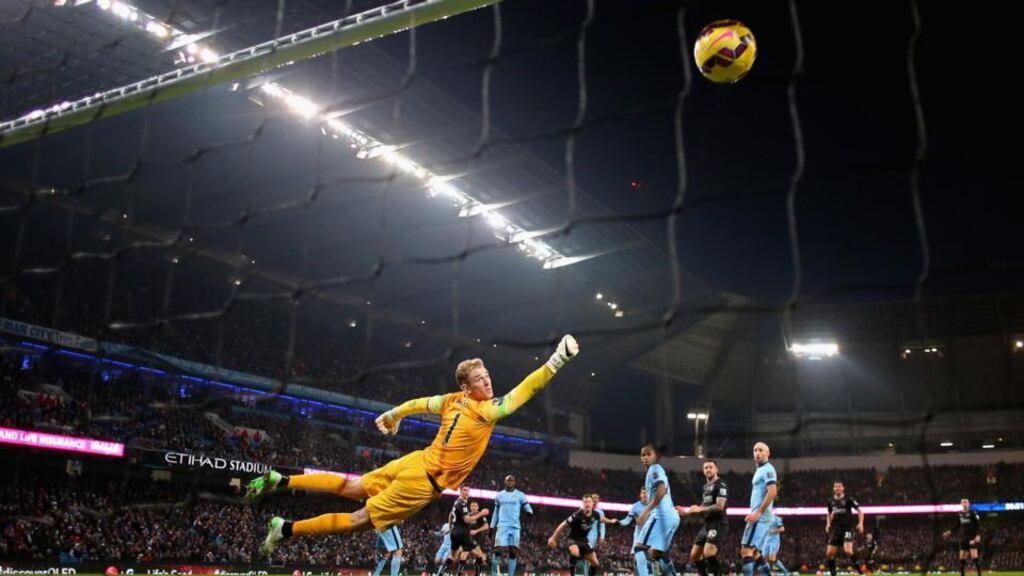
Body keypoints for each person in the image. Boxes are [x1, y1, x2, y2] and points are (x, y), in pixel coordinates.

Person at [245, 335, 579, 554]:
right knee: (358, 520)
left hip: (416, 460)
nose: (488, 381)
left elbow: (419, 403)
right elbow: (524, 391)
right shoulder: (486, 411)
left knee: (352, 486)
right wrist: (556, 362)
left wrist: (395, 413)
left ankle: (282, 479)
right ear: (467, 387)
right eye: (480, 379)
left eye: (487, 375)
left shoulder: (451, 400)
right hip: (422, 482)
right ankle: (286, 529)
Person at [636, 444, 680, 576]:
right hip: (672, 517)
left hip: (661, 516)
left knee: (639, 548)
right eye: (643, 455)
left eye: (649, 454)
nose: (645, 457)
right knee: (656, 554)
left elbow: (661, 490)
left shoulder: (654, 469)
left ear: (656, 456)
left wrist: (645, 512)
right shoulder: (655, 470)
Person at [678, 460, 727, 576]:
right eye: (706, 468)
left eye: (710, 467)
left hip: (718, 523)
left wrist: (701, 509)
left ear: (716, 469)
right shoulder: (705, 487)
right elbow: (704, 507)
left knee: (708, 552)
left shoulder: (721, 484)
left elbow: (720, 506)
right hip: (707, 525)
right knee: (695, 555)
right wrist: (688, 512)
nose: (708, 469)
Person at [740, 443, 778, 576]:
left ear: (768, 453)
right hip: (761, 516)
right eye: (755, 450)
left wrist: (758, 512)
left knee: (746, 551)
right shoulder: (760, 470)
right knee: (755, 553)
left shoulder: (768, 469)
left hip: (760, 516)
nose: (757, 452)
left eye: (761, 450)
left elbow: (772, 492)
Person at [548, 494, 602, 576]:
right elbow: (563, 525)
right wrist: (553, 538)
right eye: (585, 502)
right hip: (573, 539)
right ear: (583, 503)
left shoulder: (596, 514)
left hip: (584, 540)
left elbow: (602, 520)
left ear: (592, 503)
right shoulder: (577, 515)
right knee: (575, 552)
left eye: (589, 502)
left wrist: (612, 521)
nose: (587, 504)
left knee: (595, 562)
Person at [490, 475, 533, 576]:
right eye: (508, 480)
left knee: (513, 552)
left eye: (512, 480)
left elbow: (528, 508)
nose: (510, 482)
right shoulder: (499, 495)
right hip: (502, 526)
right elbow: (496, 512)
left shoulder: (520, 495)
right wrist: (492, 526)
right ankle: (493, 574)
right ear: (505, 482)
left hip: (515, 527)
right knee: (498, 550)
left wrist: (529, 512)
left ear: (514, 482)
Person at [826, 481, 864, 576]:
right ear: (833, 489)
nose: (838, 488)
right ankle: (833, 573)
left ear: (843, 488)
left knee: (848, 551)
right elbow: (829, 513)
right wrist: (828, 524)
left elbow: (860, 511)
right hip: (836, 530)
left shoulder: (849, 499)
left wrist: (860, 523)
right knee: (829, 553)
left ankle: (860, 569)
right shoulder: (830, 500)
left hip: (847, 529)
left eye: (839, 486)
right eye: (836, 487)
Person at [616, 488, 652, 576]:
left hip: (651, 534)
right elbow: (627, 520)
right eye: (643, 493)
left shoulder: (654, 504)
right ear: (640, 495)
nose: (645, 494)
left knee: (653, 557)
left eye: (647, 493)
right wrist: (618, 522)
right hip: (639, 534)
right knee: (638, 557)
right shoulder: (635, 506)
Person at [943, 498, 982, 576]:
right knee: (961, 559)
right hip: (963, 538)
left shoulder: (973, 513)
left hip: (972, 538)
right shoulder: (959, 514)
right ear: (961, 504)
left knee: (974, 557)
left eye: (966, 502)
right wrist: (950, 531)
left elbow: (978, 525)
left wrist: (978, 535)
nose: (964, 503)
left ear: (969, 504)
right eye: (963, 502)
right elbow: (958, 525)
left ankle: (979, 574)